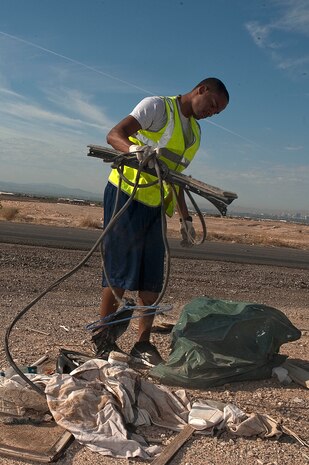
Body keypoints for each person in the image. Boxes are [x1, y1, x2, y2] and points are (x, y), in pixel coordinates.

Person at [92, 77, 229, 366]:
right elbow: (114, 135)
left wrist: (186, 218)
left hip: (155, 205)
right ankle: (103, 337)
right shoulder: (157, 107)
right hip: (126, 194)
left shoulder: (195, 133)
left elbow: (175, 178)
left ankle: (143, 343)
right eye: (212, 105)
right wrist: (133, 150)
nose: (211, 112)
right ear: (201, 90)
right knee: (120, 269)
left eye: (217, 113)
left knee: (151, 275)